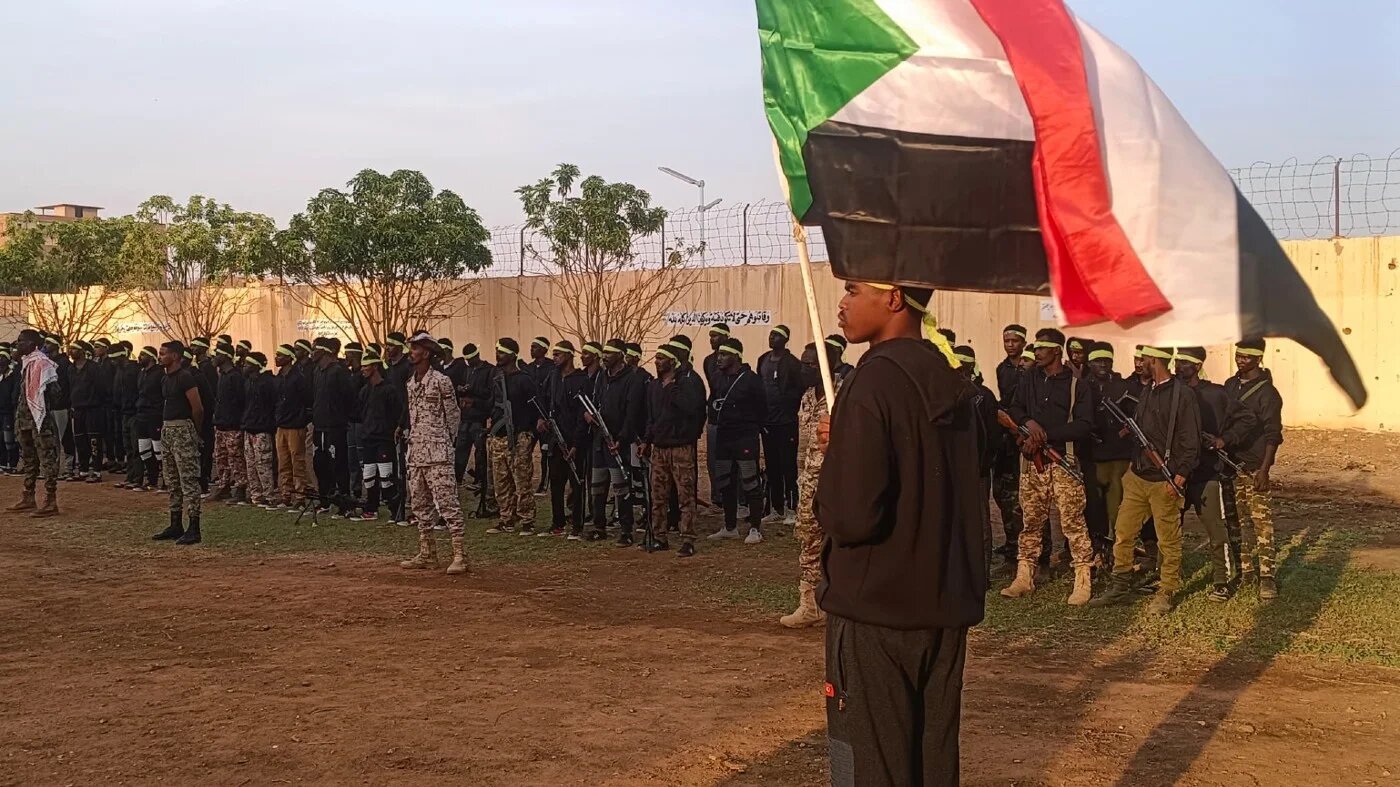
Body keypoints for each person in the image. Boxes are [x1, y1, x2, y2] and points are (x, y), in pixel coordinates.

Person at [814, 281, 985, 786]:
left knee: (871, 767)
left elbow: (851, 517)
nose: (842, 303)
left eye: (853, 291)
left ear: (893, 299)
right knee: (932, 763)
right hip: (942, 607)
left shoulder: (871, 382)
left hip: (876, 613)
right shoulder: (951, 379)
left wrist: (837, 457)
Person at [1089, 346, 1201, 614]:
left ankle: (1166, 591)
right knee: (1123, 532)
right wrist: (1132, 466)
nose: (1139, 364)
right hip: (1138, 478)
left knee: (1168, 540)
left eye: (1143, 359)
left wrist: (1180, 477)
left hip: (1165, 481)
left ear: (1154, 360)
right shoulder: (1147, 390)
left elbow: (1191, 440)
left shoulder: (1182, 395)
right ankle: (1120, 583)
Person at [1001, 328, 1095, 606]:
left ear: (1056, 350)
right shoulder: (1028, 379)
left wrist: (1044, 435)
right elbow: (1014, 408)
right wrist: (1028, 425)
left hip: (1064, 462)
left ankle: (1082, 579)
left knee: (1073, 523)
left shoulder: (1077, 385)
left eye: (1042, 348)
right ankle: (1024, 576)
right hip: (1032, 464)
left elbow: (1084, 425)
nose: (1036, 352)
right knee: (1030, 522)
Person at [1175, 347, 1257, 601]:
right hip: (1176, 474)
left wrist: (1224, 440)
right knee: (1169, 529)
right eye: (1177, 361)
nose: (1178, 366)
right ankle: (1167, 578)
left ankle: (1221, 581)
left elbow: (1247, 418)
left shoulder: (1216, 394)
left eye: (1185, 362)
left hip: (1207, 473)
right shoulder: (1172, 392)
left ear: (1198, 366)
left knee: (1216, 532)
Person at [780, 340, 846, 628]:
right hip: (808, 481)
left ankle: (842, 601)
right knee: (808, 538)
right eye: (803, 364)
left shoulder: (843, 395)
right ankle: (811, 605)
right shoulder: (807, 396)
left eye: (809, 364)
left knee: (840, 540)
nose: (803, 369)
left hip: (836, 482)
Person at [398, 332, 468, 575]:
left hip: (438, 454)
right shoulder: (411, 383)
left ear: (426, 353)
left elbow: (453, 416)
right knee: (420, 506)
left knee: (448, 504)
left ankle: (460, 555)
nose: (411, 353)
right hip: (417, 453)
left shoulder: (441, 381)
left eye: (415, 349)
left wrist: (445, 442)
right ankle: (427, 553)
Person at [1223, 338, 1285, 599]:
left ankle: (1267, 577)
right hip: (1230, 465)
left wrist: (1264, 469)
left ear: (1259, 359)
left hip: (1254, 467)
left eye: (1247, 357)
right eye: (1238, 355)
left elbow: (1273, 434)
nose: (1240, 360)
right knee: (1237, 522)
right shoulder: (1230, 385)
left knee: (1261, 523)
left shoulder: (1268, 393)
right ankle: (1246, 572)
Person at [640, 341, 706, 556]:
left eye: (661, 358)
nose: (657, 362)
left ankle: (688, 539)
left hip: (680, 448)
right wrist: (646, 440)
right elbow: (651, 416)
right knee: (658, 495)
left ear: (672, 361)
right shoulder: (653, 386)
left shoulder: (688, 382)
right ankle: (659, 537)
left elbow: (692, 409)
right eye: (656, 358)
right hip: (659, 448)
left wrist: (672, 388)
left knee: (685, 495)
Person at [583, 339, 647, 545]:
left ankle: (626, 530)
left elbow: (632, 413)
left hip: (618, 441)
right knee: (597, 486)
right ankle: (599, 527)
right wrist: (589, 415)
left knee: (621, 488)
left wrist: (621, 439)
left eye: (610, 353)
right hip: (599, 439)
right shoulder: (602, 376)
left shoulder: (632, 379)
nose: (605, 356)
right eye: (604, 353)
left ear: (620, 355)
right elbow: (596, 402)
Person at [706, 337, 767, 543]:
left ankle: (755, 528)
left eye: (724, 355)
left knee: (750, 481)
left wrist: (752, 427)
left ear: (736, 356)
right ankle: (730, 526)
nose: (719, 358)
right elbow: (713, 402)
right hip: (724, 436)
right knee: (725, 481)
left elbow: (762, 407)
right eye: (719, 354)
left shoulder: (751, 379)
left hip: (745, 437)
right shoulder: (717, 378)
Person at [151, 340, 206, 545]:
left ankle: (194, 526)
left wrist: (195, 432)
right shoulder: (165, 378)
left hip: (182, 429)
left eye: (163, 353)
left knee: (188, 479)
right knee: (171, 479)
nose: (160, 357)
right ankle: (175, 524)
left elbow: (198, 408)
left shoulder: (185, 377)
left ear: (175, 356)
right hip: (168, 429)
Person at [483, 338, 540, 534]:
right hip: (498, 437)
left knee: (522, 481)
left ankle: (526, 520)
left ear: (513, 355)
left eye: (502, 352)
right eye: (497, 351)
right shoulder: (497, 379)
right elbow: (491, 404)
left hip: (518, 436)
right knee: (500, 482)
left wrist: (528, 433)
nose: (498, 355)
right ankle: (506, 518)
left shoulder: (524, 379)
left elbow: (535, 407)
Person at [1085, 342, 1134, 567]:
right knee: (1093, 508)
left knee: (1117, 510)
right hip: (1092, 457)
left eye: (1107, 360)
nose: (1103, 365)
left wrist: (1125, 431)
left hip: (1118, 458)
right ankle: (1097, 551)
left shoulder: (1123, 386)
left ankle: (1117, 555)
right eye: (1098, 361)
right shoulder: (1082, 386)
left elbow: (1134, 416)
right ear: (1090, 363)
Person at [7, 329, 62, 517]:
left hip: (40, 421)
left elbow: (55, 392)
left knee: (47, 459)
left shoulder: (42, 363)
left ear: (32, 344)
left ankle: (50, 500)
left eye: (21, 341)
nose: (17, 344)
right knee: (29, 459)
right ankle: (28, 496)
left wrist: (43, 405)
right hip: (24, 419)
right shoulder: (26, 362)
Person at [758, 325, 805, 525]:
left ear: (785, 340)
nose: (772, 338)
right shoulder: (763, 359)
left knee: (788, 466)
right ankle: (776, 508)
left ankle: (792, 508)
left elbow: (799, 389)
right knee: (772, 466)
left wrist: (788, 408)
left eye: (776, 335)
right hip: (768, 422)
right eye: (771, 334)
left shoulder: (792, 363)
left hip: (786, 422)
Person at [542, 340, 589, 538]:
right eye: (553, 354)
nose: (554, 358)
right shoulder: (552, 376)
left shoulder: (581, 379)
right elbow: (545, 400)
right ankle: (558, 523)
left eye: (558, 354)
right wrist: (543, 420)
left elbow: (582, 414)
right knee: (556, 482)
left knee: (576, 483)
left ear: (569, 355)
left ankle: (577, 525)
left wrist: (576, 444)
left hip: (574, 440)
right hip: (555, 438)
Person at [990, 324, 1028, 569]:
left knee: (1022, 498)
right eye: (1007, 341)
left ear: (1023, 343)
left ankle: (1024, 550)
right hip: (1007, 437)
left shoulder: (1030, 369)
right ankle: (1011, 545)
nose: (1010, 345)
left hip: (1024, 434)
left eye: (1015, 341)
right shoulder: (1002, 369)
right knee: (1003, 494)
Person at [310, 337, 356, 517]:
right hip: (319, 426)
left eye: (315, 349)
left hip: (335, 427)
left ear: (324, 351)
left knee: (339, 464)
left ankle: (345, 503)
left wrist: (341, 416)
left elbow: (348, 397)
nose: (312, 353)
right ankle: (325, 500)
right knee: (320, 464)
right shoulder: (317, 371)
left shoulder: (339, 371)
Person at [356, 350, 402, 521]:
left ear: (375, 366)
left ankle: (395, 510)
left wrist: (394, 429)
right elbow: (361, 413)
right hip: (368, 439)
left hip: (384, 439)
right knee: (368, 476)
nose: (362, 369)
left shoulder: (389, 389)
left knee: (386, 477)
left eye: (366, 366)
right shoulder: (364, 391)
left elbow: (397, 413)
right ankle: (371, 508)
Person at [206, 345, 248, 503]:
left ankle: (241, 488)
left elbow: (241, 401)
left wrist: (237, 421)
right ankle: (224, 486)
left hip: (233, 425)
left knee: (235, 457)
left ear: (225, 356)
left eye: (217, 354)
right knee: (221, 457)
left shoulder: (235, 376)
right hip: (221, 424)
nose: (214, 357)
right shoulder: (222, 375)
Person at [456, 343, 495, 514]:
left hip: (480, 418)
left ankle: (480, 480)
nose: (468, 362)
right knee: (460, 450)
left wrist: (474, 396)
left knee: (481, 452)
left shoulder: (489, 370)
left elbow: (490, 396)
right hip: (466, 418)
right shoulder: (467, 370)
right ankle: (457, 478)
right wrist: (462, 390)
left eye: (471, 359)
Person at [273, 344, 311, 509]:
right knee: (283, 461)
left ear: (289, 358)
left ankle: (300, 495)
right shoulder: (279, 376)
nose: (277, 358)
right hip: (281, 425)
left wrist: (302, 418)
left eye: (280, 355)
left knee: (297, 460)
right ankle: (286, 494)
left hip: (295, 425)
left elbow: (306, 400)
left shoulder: (298, 377)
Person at [240, 352, 279, 509]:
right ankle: (256, 495)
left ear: (256, 366)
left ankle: (269, 495)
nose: (244, 366)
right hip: (249, 428)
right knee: (250, 464)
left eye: (247, 364)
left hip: (262, 429)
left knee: (263, 463)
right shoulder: (248, 383)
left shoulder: (268, 383)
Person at [66, 340, 107, 482]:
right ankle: (83, 470)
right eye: (70, 348)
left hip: (93, 409)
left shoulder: (94, 368)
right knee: (80, 440)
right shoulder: (71, 368)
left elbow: (101, 388)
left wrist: (96, 403)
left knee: (94, 441)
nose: (71, 351)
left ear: (82, 351)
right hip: (77, 410)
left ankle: (96, 471)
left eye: (74, 349)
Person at [701, 323, 730, 503]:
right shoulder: (708, 361)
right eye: (710, 336)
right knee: (713, 457)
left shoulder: (733, 361)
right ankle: (717, 494)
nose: (712, 340)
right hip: (714, 413)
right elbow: (714, 386)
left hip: (730, 416)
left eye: (715, 336)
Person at [527, 336, 555, 494]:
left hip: (545, 417)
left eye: (535, 347)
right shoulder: (528, 368)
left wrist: (545, 417)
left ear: (544, 350)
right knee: (526, 451)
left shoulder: (552, 368)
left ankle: (544, 483)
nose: (531, 350)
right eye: (531, 347)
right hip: (530, 418)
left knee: (545, 452)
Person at [0, 347, 17, 473]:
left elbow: (14, 392)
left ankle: (12, 464)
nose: (0, 360)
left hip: (8, 411)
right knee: (1, 438)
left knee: (9, 439)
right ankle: (2, 462)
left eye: (3, 357)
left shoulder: (13, 374)